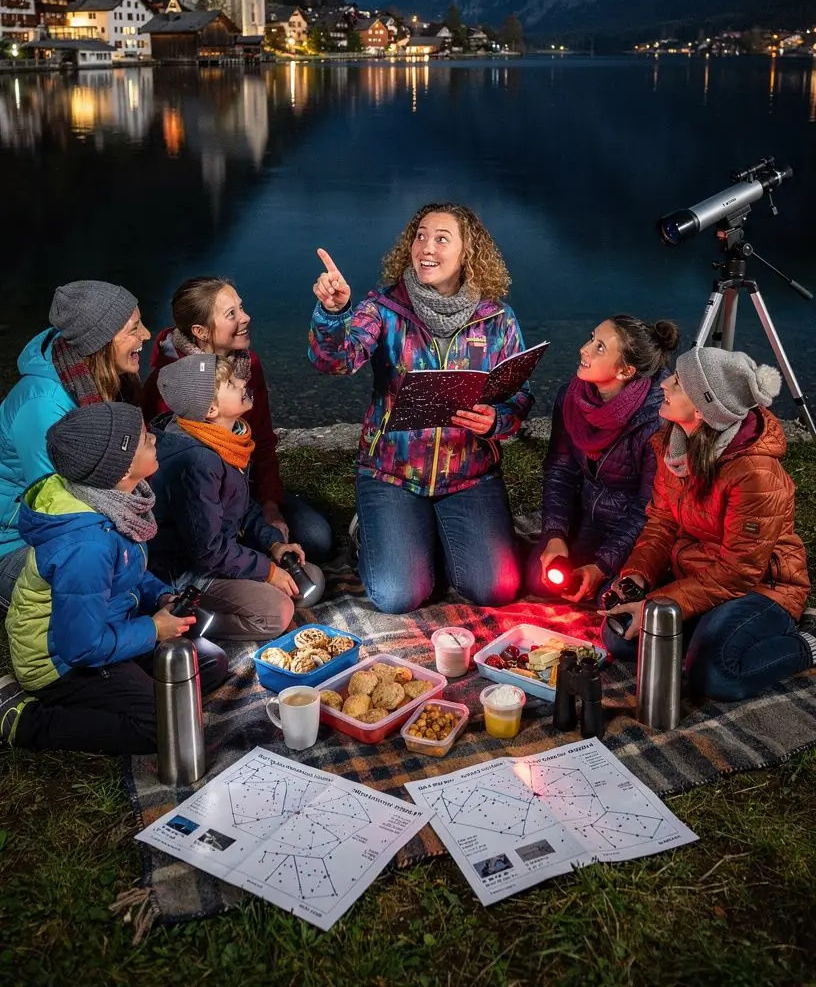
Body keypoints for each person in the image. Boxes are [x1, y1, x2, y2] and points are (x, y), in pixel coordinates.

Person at [308, 202, 533, 614]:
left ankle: (430, 540)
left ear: (468, 252)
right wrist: (333, 312)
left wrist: (496, 419)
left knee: (496, 588)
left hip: (470, 475)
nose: (426, 247)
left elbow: (519, 394)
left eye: (442, 239)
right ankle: (374, 535)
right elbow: (335, 361)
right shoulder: (383, 308)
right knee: (398, 595)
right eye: (420, 235)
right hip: (391, 474)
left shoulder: (497, 318)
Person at [0, 402, 228, 752]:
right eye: (142, 439)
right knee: (165, 728)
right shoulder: (87, 546)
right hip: (61, 661)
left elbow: (125, 575)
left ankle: (130, 689)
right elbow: (81, 646)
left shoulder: (116, 502)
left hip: (110, 626)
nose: (153, 436)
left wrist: (160, 597)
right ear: (121, 471)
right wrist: (153, 630)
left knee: (209, 664)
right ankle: (27, 720)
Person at [602, 347, 814, 702]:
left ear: (703, 409)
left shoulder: (755, 473)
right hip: (696, 573)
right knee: (617, 636)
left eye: (678, 382)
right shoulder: (674, 444)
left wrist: (656, 608)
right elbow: (661, 523)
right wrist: (637, 577)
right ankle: (701, 631)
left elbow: (738, 572)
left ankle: (805, 642)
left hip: (762, 587)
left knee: (716, 675)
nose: (664, 384)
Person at [142, 276, 333, 563]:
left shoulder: (247, 364)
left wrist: (270, 505)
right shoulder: (171, 382)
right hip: (197, 504)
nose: (246, 317)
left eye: (241, 308)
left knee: (316, 538)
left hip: (244, 492)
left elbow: (264, 442)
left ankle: (251, 551)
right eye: (232, 314)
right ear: (201, 331)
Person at [0, 281, 150, 614]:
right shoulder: (43, 407)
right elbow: (59, 512)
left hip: (65, 525)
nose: (148, 335)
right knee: (97, 591)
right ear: (100, 343)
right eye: (134, 329)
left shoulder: (93, 376)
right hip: (14, 541)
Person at [149, 352, 305, 641]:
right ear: (210, 409)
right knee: (278, 612)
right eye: (232, 383)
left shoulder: (228, 439)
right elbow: (206, 549)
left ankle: (250, 591)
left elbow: (242, 506)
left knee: (309, 581)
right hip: (187, 573)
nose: (243, 381)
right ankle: (186, 621)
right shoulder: (198, 461)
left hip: (223, 554)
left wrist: (273, 544)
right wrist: (267, 572)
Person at [527, 316, 679, 603]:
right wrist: (555, 533)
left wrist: (603, 565)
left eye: (599, 348)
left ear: (624, 371)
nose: (583, 349)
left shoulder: (657, 420)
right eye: (591, 338)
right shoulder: (571, 397)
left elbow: (648, 509)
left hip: (636, 533)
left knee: (605, 598)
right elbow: (560, 470)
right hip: (589, 519)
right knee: (541, 579)